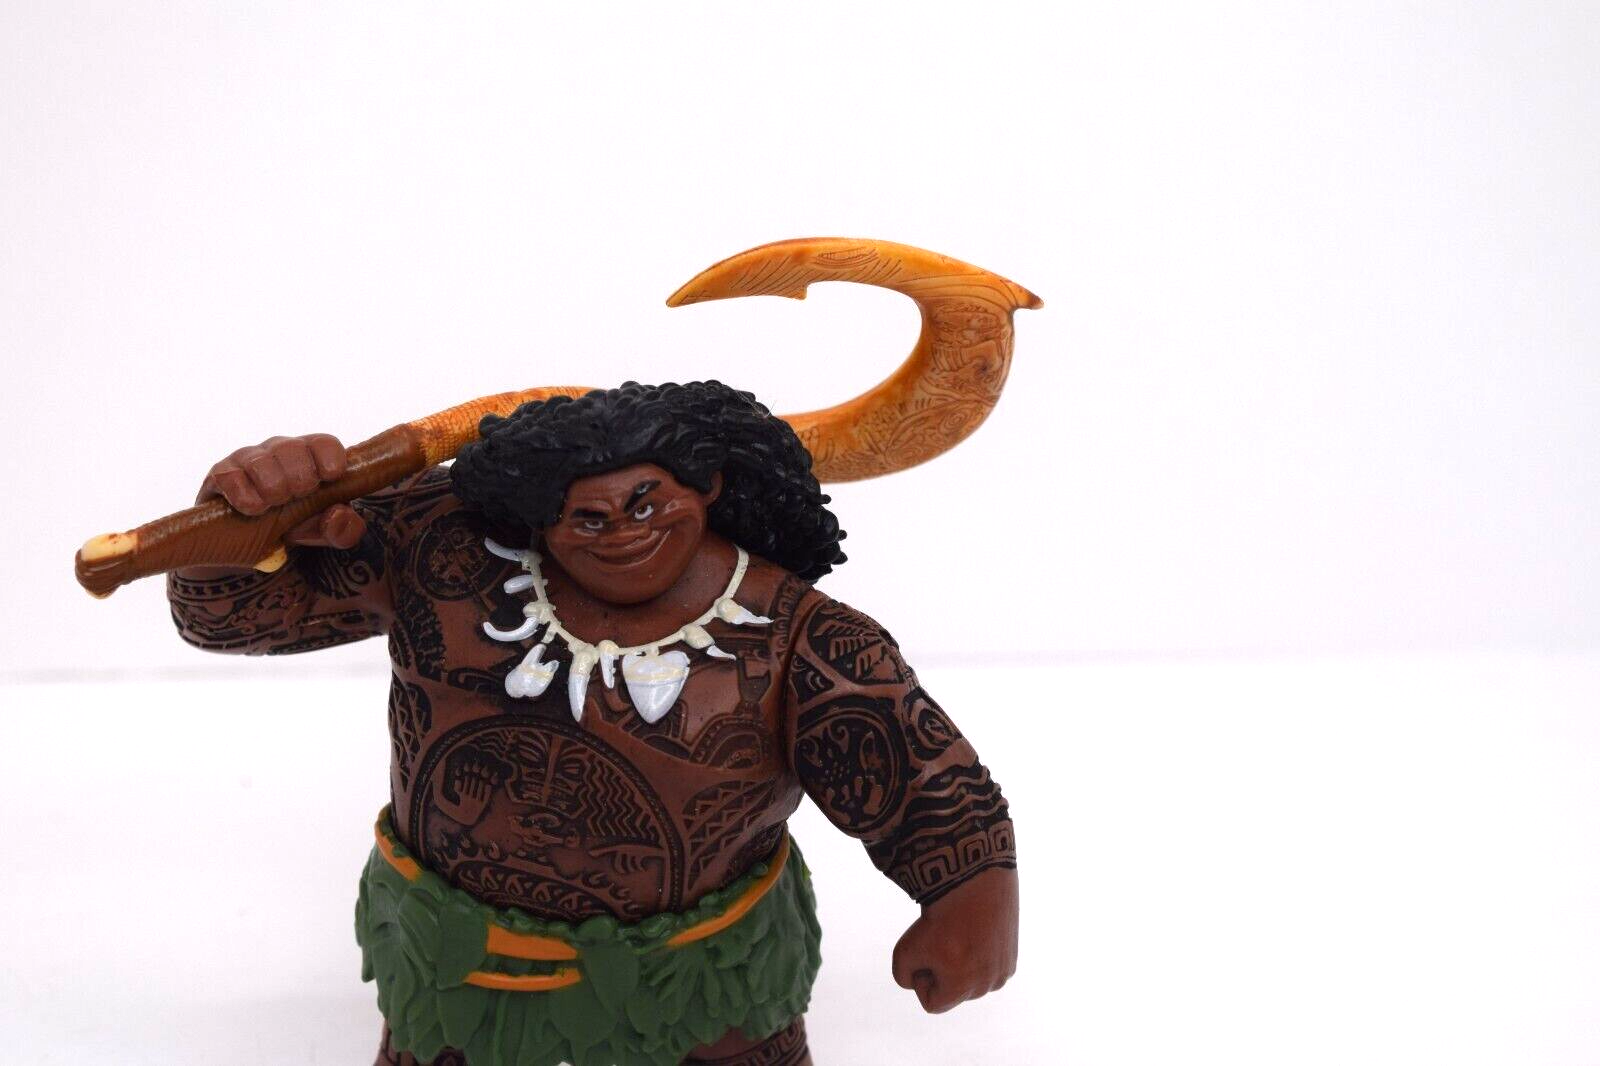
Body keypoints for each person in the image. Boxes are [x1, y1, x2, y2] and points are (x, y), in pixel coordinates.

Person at [168, 380, 1019, 1066]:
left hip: (710, 987)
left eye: (646, 504)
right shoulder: (443, 552)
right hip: (458, 974)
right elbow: (226, 619)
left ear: (707, 488)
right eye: (586, 516)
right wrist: (243, 519)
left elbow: (920, 773)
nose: (620, 533)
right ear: (537, 513)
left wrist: (971, 898)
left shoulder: (797, 635)